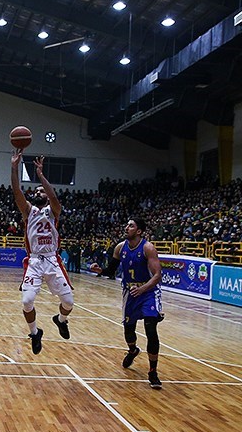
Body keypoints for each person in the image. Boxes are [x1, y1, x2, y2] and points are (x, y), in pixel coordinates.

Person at [10, 148, 74, 355]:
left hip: (53, 260)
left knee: (68, 303)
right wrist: (14, 167)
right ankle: (35, 333)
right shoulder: (29, 211)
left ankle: (60, 320)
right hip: (35, 261)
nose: (38, 193)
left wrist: (41, 176)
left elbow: (54, 197)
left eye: (41, 191)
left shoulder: (53, 210)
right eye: (36, 191)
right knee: (27, 301)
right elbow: (17, 192)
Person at [90, 218, 164, 390]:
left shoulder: (148, 248)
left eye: (131, 225)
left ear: (139, 231)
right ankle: (132, 350)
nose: (126, 227)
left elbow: (157, 275)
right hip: (129, 292)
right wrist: (100, 270)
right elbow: (110, 270)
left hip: (148, 291)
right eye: (127, 224)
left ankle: (153, 372)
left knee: (150, 328)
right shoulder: (120, 247)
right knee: (129, 330)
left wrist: (143, 289)